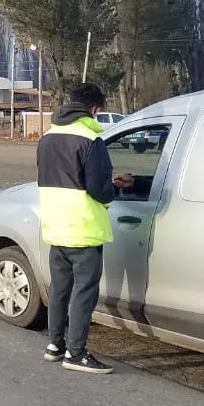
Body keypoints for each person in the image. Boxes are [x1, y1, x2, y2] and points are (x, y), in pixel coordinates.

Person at [35, 82, 133, 375]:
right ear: (94, 109)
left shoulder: (47, 138)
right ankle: (76, 354)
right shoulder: (91, 140)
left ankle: (55, 345)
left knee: (59, 290)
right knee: (83, 294)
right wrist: (114, 187)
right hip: (84, 229)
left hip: (56, 227)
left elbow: (66, 179)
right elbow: (99, 190)